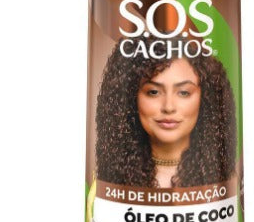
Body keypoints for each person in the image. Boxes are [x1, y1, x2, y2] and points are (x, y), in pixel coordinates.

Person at [95, 37, 237, 188]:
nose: (168, 107)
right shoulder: (106, 180)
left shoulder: (228, 179)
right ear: (131, 97)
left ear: (206, 98)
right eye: (153, 92)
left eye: (183, 92)